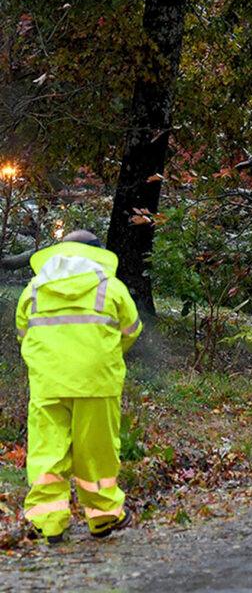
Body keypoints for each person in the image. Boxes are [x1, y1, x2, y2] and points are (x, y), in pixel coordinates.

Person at [15, 230, 142, 544]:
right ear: (97, 254)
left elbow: (23, 334)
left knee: (48, 451)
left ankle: (48, 522)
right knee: (97, 451)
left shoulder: (33, 289)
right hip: (97, 382)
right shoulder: (111, 288)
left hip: (48, 383)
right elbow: (131, 331)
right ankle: (103, 516)